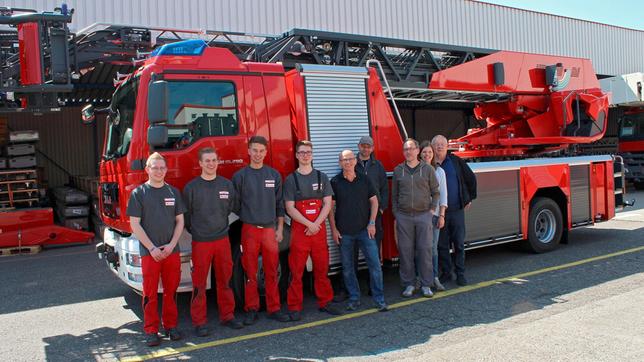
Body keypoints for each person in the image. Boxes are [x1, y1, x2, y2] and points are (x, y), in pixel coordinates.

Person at [127, 152, 185, 347]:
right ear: (147, 170)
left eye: (162, 168)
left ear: (166, 170)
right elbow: (135, 224)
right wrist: (151, 248)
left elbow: (180, 221)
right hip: (150, 253)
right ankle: (151, 330)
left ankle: (171, 326)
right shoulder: (139, 194)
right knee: (150, 294)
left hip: (171, 251)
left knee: (171, 291)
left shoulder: (173, 192)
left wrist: (171, 245)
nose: (159, 171)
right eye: (155, 167)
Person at [183, 147, 243, 337]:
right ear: (200, 163)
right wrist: (199, 232)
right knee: (199, 284)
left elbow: (232, 208)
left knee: (225, 281)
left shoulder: (226, 185)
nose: (210, 164)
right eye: (207, 161)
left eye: (214, 160)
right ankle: (199, 322)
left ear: (218, 162)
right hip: (201, 242)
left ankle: (228, 316)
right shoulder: (191, 188)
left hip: (222, 240)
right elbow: (186, 217)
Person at [232, 136, 290, 324]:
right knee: (250, 272)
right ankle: (252, 308)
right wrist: (249, 215)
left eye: (261, 151)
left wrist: (280, 229)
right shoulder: (240, 177)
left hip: (270, 230)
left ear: (266, 152)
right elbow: (235, 204)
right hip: (249, 230)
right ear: (248, 151)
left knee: (272, 271)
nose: (258, 154)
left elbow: (280, 205)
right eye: (254, 150)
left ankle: (274, 308)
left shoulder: (273, 175)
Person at [284, 140, 343, 321]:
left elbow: (327, 203)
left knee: (321, 269)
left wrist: (316, 223)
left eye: (308, 152)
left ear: (312, 154)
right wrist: (309, 224)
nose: (305, 155)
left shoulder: (321, 177)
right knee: (296, 271)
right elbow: (289, 207)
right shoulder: (291, 180)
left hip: (318, 231)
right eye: (301, 152)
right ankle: (294, 307)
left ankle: (325, 302)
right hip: (300, 232)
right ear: (296, 155)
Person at [330, 150, 388, 312]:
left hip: (365, 231)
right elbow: (330, 209)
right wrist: (334, 229)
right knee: (348, 268)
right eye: (343, 160)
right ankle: (354, 298)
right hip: (344, 233)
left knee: (375, 265)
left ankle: (379, 299)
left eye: (349, 159)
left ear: (355, 161)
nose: (347, 162)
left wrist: (372, 223)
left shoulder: (365, 179)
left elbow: (375, 202)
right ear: (339, 162)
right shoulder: (335, 182)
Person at [391, 139, 440, 298]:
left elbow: (436, 192)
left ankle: (427, 284)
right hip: (404, 216)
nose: (408, 152)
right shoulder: (398, 170)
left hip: (423, 215)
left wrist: (432, 210)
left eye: (411, 149)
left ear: (418, 151)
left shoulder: (427, 169)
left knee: (425, 250)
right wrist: (396, 213)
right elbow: (394, 195)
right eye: (405, 149)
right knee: (405, 252)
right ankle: (409, 284)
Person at [431, 135, 477, 286]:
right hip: (439, 213)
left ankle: (460, 274)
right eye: (436, 144)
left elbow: (470, 178)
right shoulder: (429, 165)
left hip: (457, 210)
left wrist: (469, 197)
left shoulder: (456, 161)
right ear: (432, 147)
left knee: (459, 244)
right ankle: (446, 272)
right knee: (442, 245)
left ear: (447, 146)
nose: (439, 146)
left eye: (442, 144)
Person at [419, 141, 447, 292]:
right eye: (424, 152)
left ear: (433, 154)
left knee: (433, 248)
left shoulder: (440, 172)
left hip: (435, 216)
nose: (427, 155)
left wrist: (441, 215)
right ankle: (421, 278)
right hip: (418, 216)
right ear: (420, 154)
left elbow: (443, 195)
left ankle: (434, 278)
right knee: (420, 248)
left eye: (429, 152)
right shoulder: (415, 171)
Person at [355, 135, 388, 249]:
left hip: (375, 212)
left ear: (373, 148)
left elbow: (384, 188)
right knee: (356, 243)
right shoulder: (351, 164)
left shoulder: (378, 165)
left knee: (375, 241)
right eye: (363, 146)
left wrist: (382, 208)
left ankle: (376, 265)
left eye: (368, 147)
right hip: (357, 212)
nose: (366, 149)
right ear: (359, 146)